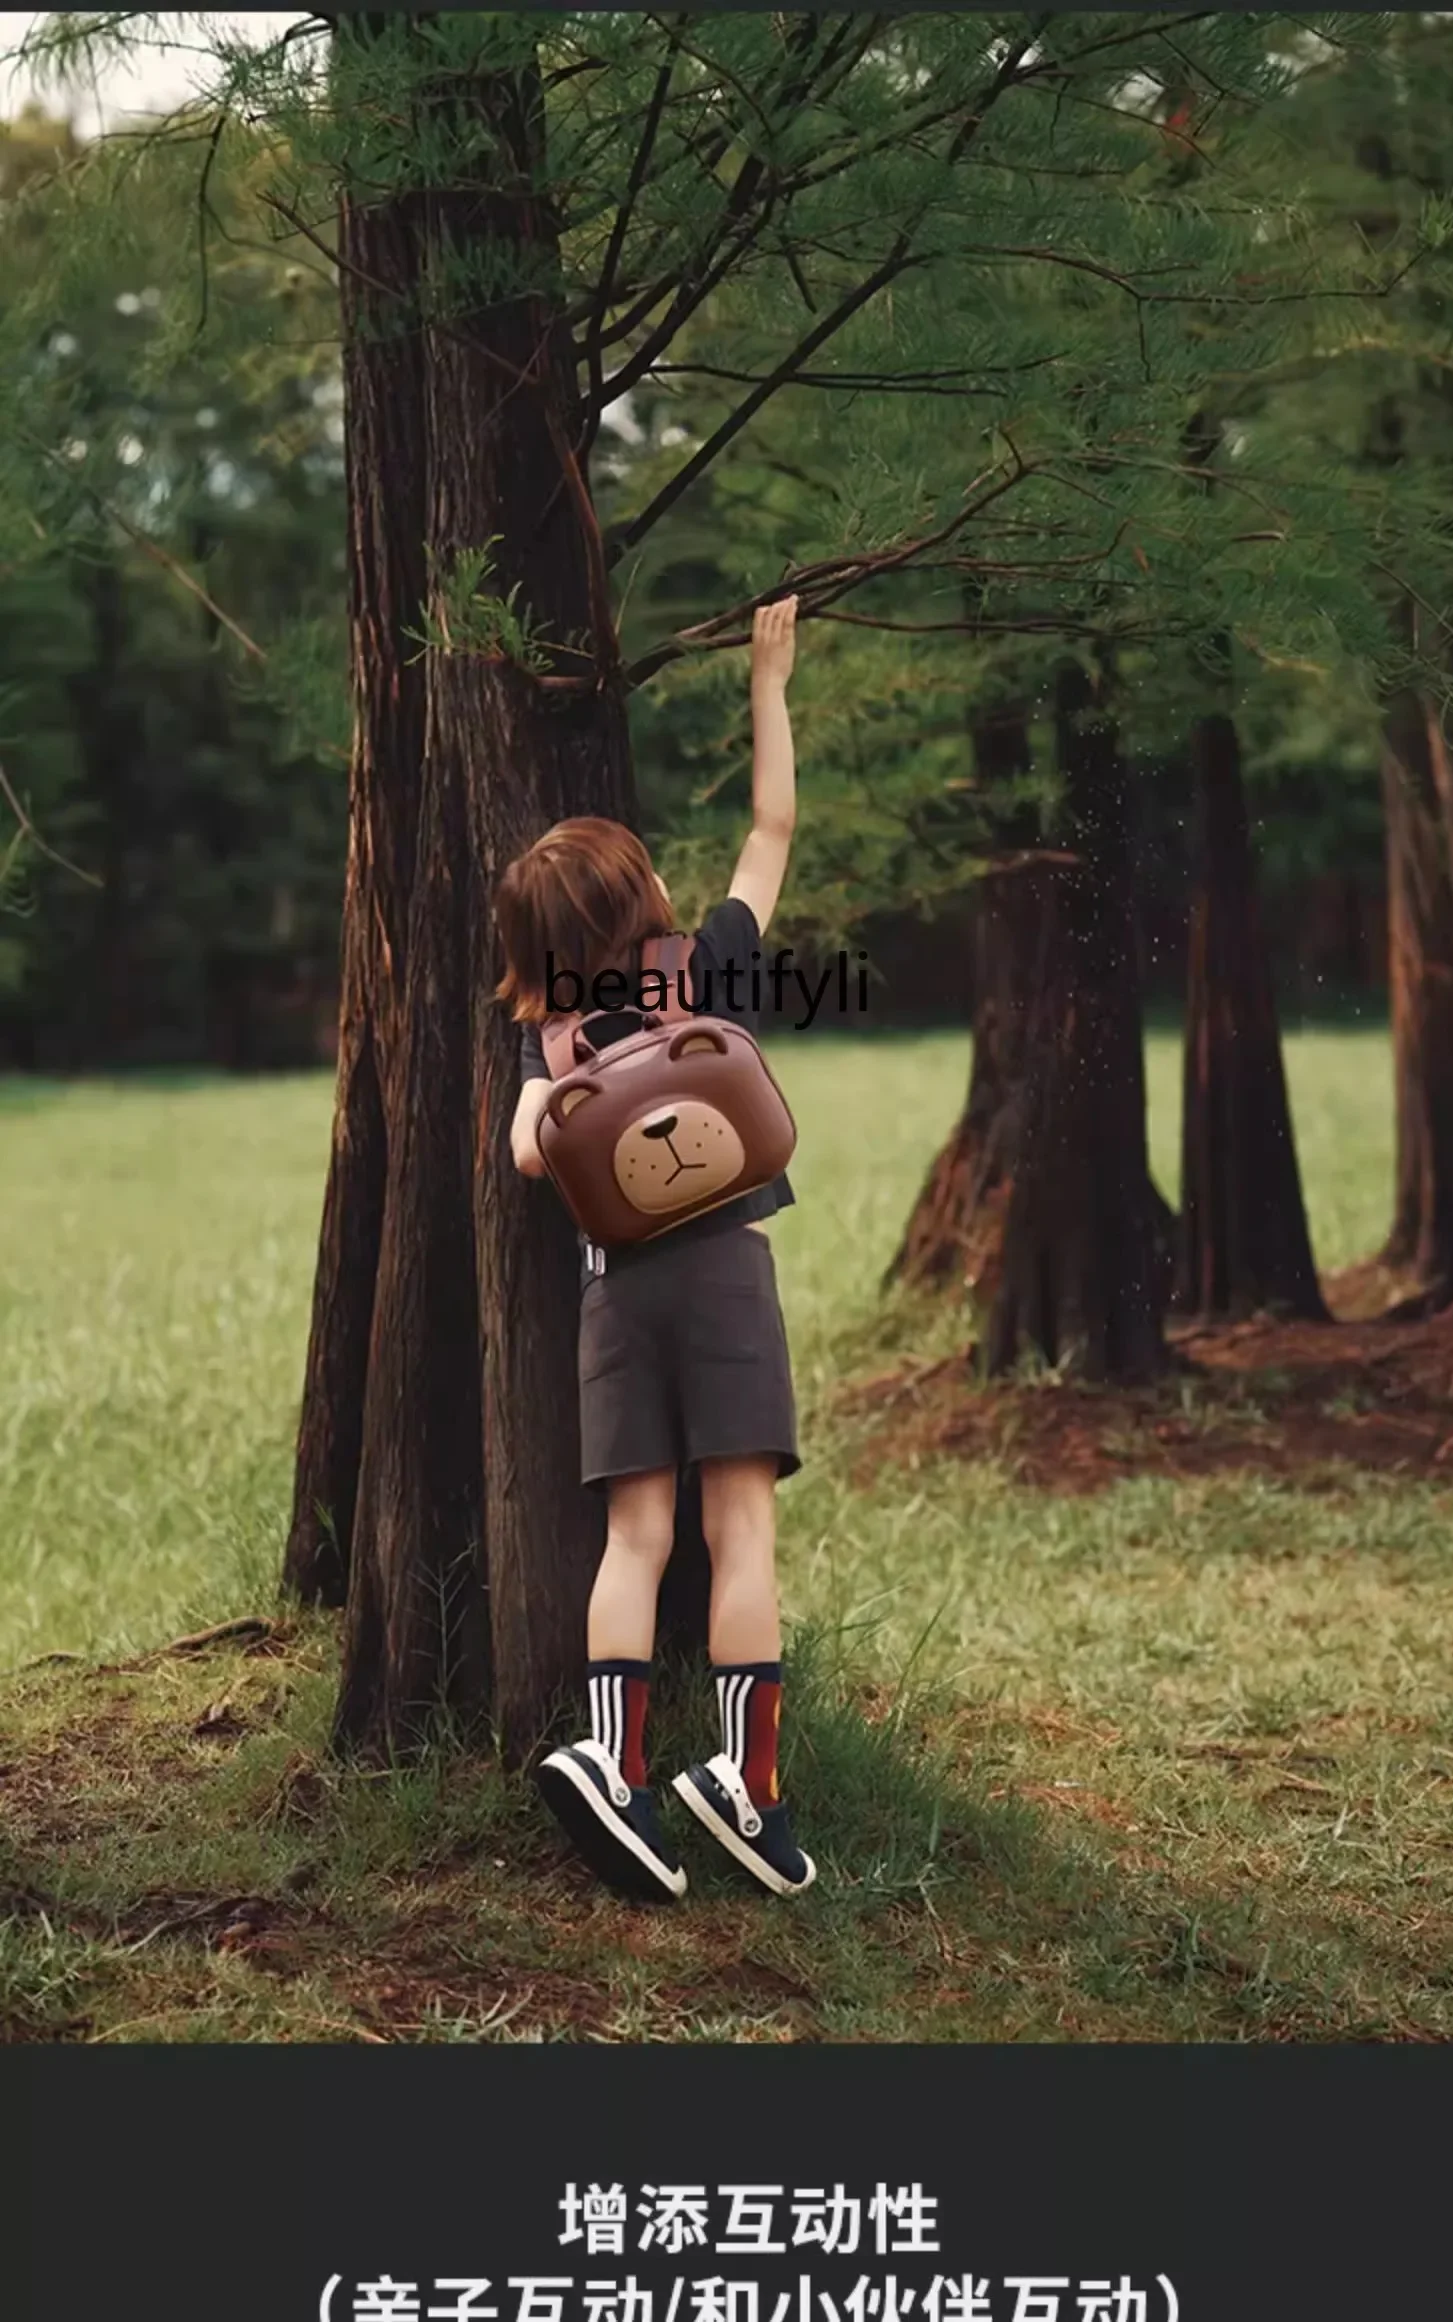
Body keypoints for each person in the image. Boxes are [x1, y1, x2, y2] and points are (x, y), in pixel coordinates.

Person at [498, 595, 814, 1903]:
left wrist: (572, 1085)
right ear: (648, 902)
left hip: (614, 1295)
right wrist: (770, 676)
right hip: (727, 1271)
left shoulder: (552, 1038)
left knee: (635, 1535)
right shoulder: (712, 967)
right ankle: (744, 1780)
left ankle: (615, 1765)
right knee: (739, 1526)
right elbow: (773, 829)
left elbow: (527, 1150)